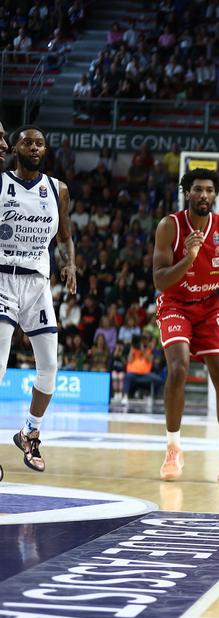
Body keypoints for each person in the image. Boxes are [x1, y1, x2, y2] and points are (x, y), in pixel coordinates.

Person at [152, 168, 219, 483]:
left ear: (215, 194)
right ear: (187, 192)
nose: (203, 195)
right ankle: (173, 448)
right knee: (179, 367)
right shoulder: (170, 226)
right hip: (175, 304)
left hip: (209, 306)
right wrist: (189, 258)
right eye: (197, 189)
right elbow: (160, 281)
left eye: (209, 190)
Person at [0, 124, 77, 476]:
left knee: (50, 367)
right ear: (14, 148)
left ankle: (30, 431)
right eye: (27, 142)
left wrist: (70, 263)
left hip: (37, 284)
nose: (34, 147)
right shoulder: (1, 184)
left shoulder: (56, 189)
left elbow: (64, 235)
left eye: (40, 143)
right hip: (2, 278)